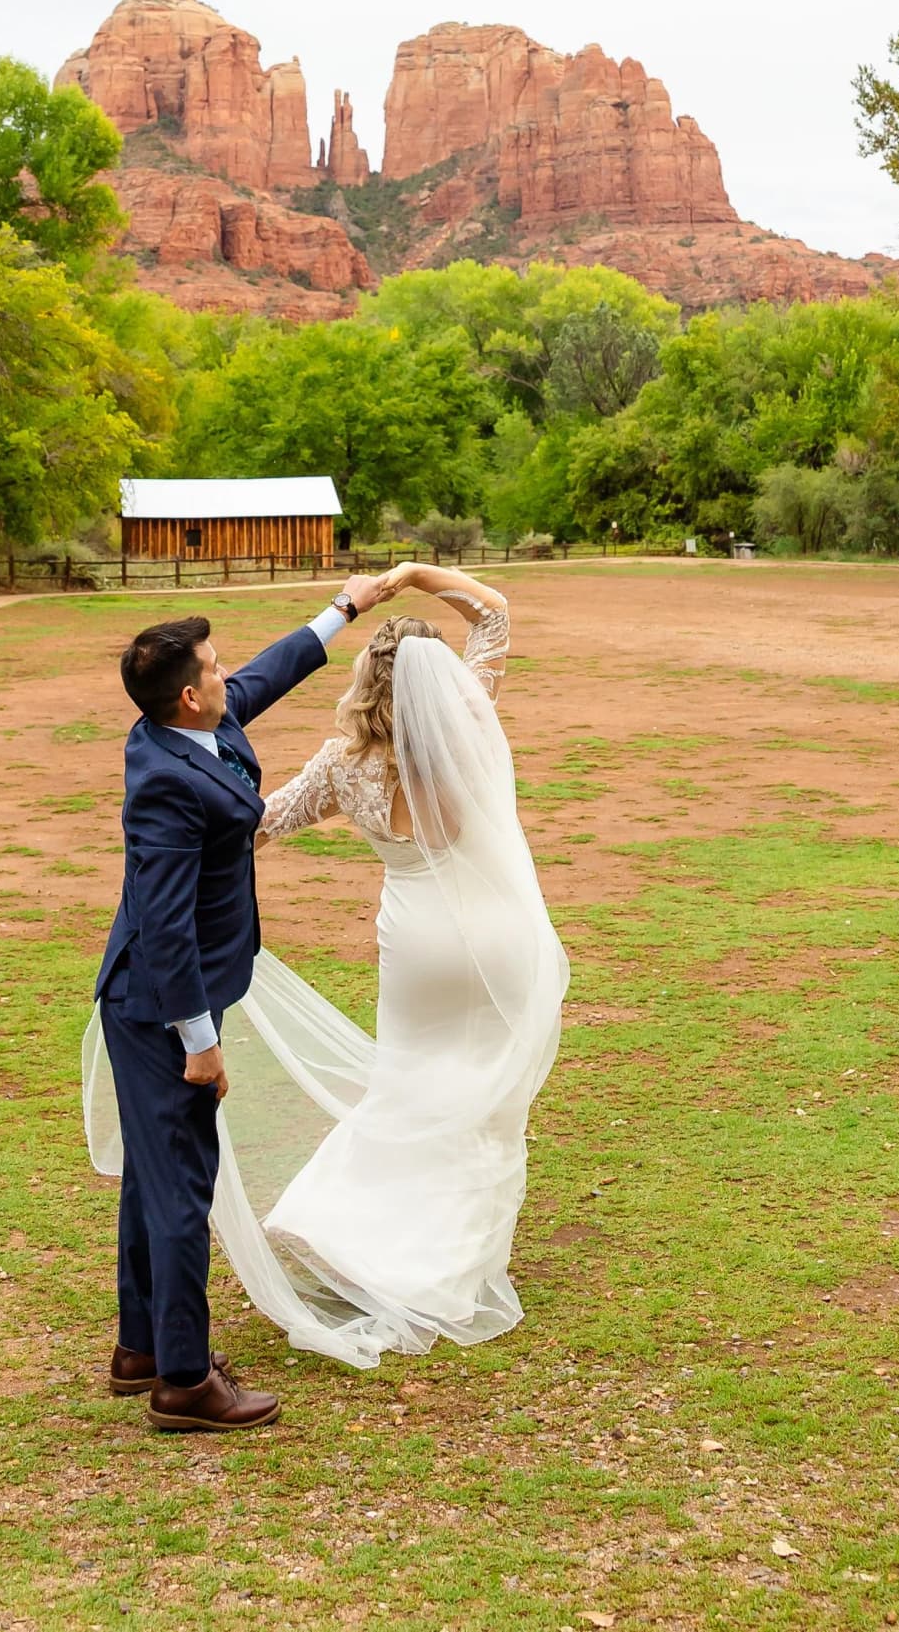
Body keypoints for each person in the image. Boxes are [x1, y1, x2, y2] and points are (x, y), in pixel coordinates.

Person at [211, 560, 569, 1368]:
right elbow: (496, 614)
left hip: (414, 947)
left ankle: (361, 1233)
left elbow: (261, 826)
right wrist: (412, 573)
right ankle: (453, 1260)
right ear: (438, 680)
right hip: (492, 936)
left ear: (367, 679)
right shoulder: (470, 721)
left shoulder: (345, 763)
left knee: (407, 1083)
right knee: (481, 1094)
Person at [85, 572, 386, 1434]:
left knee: (154, 1173)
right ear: (187, 694)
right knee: (185, 1185)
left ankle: (141, 1345)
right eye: (214, 669)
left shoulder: (191, 728)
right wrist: (200, 1039)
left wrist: (347, 607)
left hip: (165, 999)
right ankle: (183, 1381)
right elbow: (165, 924)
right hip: (158, 1006)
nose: (229, 675)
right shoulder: (165, 786)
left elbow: (264, 675)